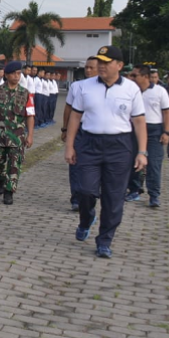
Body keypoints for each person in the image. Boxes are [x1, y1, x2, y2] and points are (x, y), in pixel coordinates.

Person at [65, 45, 147, 259]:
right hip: (89, 144)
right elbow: (75, 116)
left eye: (106, 62)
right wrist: (70, 146)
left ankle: (104, 240)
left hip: (120, 147)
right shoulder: (85, 87)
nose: (101, 66)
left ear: (119, 65)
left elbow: (139, 121)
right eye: (99, 62)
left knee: (113, 198)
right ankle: (86, 219)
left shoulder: (131, 89)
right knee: (85, 191)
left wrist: (142, 152)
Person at [0, 61, 35, 205]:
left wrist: (30, 135)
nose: (17, 76)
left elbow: (30, 115)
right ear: (7, 75)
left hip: (17, 137)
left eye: (19, 73)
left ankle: (9, 191)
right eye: (14, 73)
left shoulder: (25, 93)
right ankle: (1, 178)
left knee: (14, 164)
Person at [125, 65, 169, 207]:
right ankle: (134, 189)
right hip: (133, 129)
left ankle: (154, 195)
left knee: (154, 164)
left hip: (154, 130)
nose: (131, 78)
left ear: (145, 77)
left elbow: (167, 113)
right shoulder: (130, 91)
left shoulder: (159, 91)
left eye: (135, 76)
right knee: (131, 161)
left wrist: (166, 132)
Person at [61, 57, 99, 211]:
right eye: (87, 67)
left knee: (94, 165)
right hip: (79, 128)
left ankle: (91, 195)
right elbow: (68, 109)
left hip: (96, 130)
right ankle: (76, 198)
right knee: (75, 164)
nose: (88, 70)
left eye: (92, 68)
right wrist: (65, 129)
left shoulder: (104, 87)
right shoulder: (77, 86)